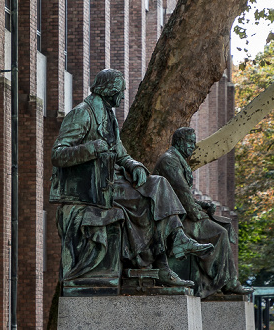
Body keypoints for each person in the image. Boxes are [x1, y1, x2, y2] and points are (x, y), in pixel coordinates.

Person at [51, 69, 213, 288]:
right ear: (110, 90)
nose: (123, 97)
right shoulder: (82, 113)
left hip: (110, 182)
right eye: (121, 91)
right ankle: (170, 253)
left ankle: (173, 246)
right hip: (90, 189)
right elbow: (58, 154)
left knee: (158, 184)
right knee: (149, 202)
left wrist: (133, 164)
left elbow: (121, 153)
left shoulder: (109, 116)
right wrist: (90, 148)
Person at [153, 127, 252, 298]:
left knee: (224, 225)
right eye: (190, 142)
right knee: (219, 232)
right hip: (173, 219)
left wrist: (202, 205)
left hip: (182, 212)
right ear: (179, 142)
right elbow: (182, 193)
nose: (193, 147)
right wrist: (199, 213)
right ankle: (225, 283)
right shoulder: (169, 161)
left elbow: (184, 195)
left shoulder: (177, 160)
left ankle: (220, 281)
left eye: (194, 142)